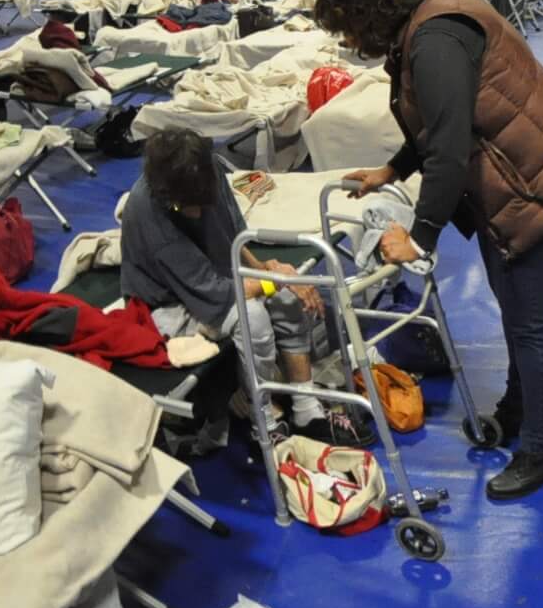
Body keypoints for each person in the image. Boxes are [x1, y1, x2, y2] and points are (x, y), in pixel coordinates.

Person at [320, 0, 543, 501]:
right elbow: (442, 121)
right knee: (517, 312)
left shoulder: (434, 37)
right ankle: (519, 412)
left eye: (349, 28)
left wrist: (420, 235)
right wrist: (392, 169)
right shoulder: (436, 12)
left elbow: (450, 149)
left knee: (531, 322)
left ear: (366, 6)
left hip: (535, 183)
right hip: (528, 171)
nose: (354, 44)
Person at [120, 129, 369, 448]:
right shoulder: (148, 214)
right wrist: (274, 281)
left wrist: (265, 267)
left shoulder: (206, 171)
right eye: (188, 208)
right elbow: (215, 292)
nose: (197, 213)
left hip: (212, 276)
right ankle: (262, 416)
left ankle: (306, 408)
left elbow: (233, 233)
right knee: (253, 317)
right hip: (165, 303)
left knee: (288, 301)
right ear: (168, 196)